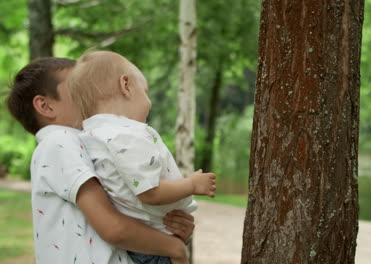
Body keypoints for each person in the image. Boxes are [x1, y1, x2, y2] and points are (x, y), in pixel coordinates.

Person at [7, 57, 194, 264]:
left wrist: (170, 229)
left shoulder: (88, 144)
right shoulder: (59, 141)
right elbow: (113, 228)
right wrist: (175, 248)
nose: (91, 93)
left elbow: (127, 213)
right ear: (46, 106)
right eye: (79, 87)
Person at [66, 50, 217, 264]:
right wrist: (191, 185)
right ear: (126, 85)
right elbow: (149, 192)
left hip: (137, 243)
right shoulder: (127, 135)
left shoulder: (90, 136)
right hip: (153, 247)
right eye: (145, 91)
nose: (148, 101)